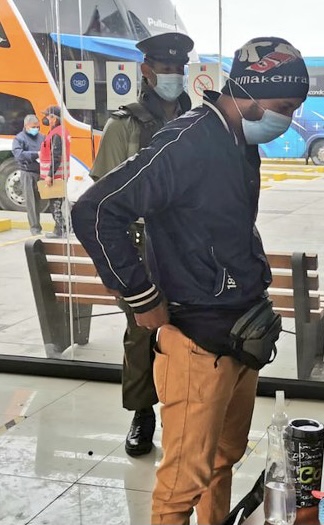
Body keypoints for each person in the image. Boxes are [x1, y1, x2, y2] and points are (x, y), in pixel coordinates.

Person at [71, 37, 309, 525]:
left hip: (240, 330)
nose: (287, 120)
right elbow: (95, 210)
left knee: (223, 460)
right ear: (251, 93)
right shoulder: (188, 142)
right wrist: (141, 296)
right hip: (196, 341)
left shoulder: (239, 142)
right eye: (285, 108)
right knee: (183, 482)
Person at [88, 31, 194, 459]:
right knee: (142, 334)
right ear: (147, 71)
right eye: (165, 68)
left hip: (188, 244)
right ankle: (142, 412)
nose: (173, 76)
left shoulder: (198, 120)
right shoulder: (123, 126)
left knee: (191, 332)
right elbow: (103, 203)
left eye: (179, 69)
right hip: (141, 245)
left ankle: (184, 413)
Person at [11, 114, 44, 234]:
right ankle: (35, 228)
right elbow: (19, 155)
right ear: (26, 126)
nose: (36, 129)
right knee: (31, 203)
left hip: (42, 173)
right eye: (33, 127)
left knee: (44, 201)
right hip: (28, 173)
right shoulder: (19, 139)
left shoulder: (42, 137)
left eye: (37, 127)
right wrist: (36, 154)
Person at [39, 106, 68, 238]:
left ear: (54, 118)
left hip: (56, 176)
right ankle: (64, 228)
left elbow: (56, 156)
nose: (45, 119)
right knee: (59, 203)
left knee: (55, 204)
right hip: (59, 174)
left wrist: (50, 175)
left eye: (47, 116)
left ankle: (59, 230)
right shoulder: (59, 131)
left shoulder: (56, 134)